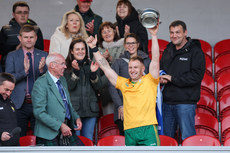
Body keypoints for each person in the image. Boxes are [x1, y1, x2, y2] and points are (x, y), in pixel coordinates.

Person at [87, 25, 160, 146]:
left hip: (148, 129)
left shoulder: (150, 80)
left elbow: (156, 59)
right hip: (129, 129)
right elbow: (105, 67)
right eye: (130, 67)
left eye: (136, 67)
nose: (132, 70)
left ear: (143, 69)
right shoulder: (124, 83)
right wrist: (94, 49)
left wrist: (154, 35)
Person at [160, 20, 205, 141]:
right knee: (166, 140)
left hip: (185, 103)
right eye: (172, 32)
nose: (174, 35)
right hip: (167, 103)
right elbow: (161, 69)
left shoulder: (196, 52)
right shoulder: (168, 50)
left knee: (188, 139)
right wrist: (161, 78)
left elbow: (196, 76)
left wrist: (172, 78)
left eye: (178, 32)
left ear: (185, 33)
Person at [32, 52, 83, 146]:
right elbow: (39, 112)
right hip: (48, 134)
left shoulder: (62, 80)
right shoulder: (40, 83)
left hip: (66, 129)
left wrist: (76, 117)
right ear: (52, 65)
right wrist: (60, 125)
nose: (65, 67)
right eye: (62, 64)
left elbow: (67, 104)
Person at [5, 24, 48, 137]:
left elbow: (50, 81)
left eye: (31, 37)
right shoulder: (12, 56)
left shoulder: (44, 55)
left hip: (38, 103)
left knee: (39, 138)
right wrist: (24, 72)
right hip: (19, 104)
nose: (29, 40)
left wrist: (42, 70)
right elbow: (8, 80)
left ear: (36, 38)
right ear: (20, 38)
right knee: (19, 138)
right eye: (26, 37)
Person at [108, 33, 151, 135]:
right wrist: (120, 106)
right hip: (124, 109)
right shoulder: (118, 62)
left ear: (138, 44)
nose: (130, 46)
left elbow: (151, 85)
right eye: (128, 43)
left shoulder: (147, 61)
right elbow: (112, 86)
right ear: (124, 46)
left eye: (133, 43)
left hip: (143, 110)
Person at [64, 38, 104, 141]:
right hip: (74, 111)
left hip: (91, 110)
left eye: (83, 49)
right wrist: (76, 72)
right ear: (72, 51)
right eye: (77, 49)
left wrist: (93, 74)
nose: (80, 51)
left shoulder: (92, 64)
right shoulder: (65, 66)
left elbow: (98, 86)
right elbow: (70, 86)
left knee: (88, 140)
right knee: (75, 141)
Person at [0, 1, 44, 71]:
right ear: (13, 14)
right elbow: (1, 50)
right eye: (19, 12)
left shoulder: (36, 29)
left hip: (32, 66)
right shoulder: (5, 29)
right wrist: (16, 48)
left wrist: (28, 47)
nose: (23, 15)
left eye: (25, 12)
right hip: (10, 67)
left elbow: (41, 49)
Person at [97, 21, 125, 115]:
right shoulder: (98, 49)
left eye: (109, 31)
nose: (107, 34)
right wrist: (103, 61)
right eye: (104, 32)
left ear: (114, 32)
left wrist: (110, 59)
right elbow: (95, 70)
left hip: (121, 88)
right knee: (109, 121)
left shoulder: (123, 46)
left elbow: (123, 65)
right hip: (106, 89)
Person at [0, 72, 19, 146]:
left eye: (11, 91)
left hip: (13, 147)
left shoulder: (9, 101)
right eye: (6, 89)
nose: (8, 93)